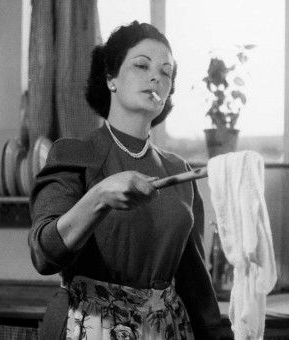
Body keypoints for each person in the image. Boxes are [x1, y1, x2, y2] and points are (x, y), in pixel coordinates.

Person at [28, 21, 221, 340]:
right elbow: (43, 253)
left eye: (166, 71)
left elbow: (195, 283)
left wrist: (218, 335)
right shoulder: (74, 154)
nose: (156, 76)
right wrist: (100, 196)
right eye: (141, 65)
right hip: (89, 327)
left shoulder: (179, 170)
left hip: (165, 332)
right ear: (110, 78)